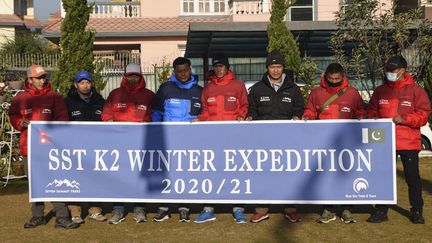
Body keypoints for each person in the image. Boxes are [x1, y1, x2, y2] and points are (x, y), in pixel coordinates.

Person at [9, 65, 79, 229]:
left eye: (43, 77)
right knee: (34, 183)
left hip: (51, 148)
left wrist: (53, 130)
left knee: (56, 180)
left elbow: (63, 118)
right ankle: (38, 215)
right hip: (29, 147)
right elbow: (13, 116)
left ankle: (62, 216)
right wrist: (21, 122)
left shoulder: (54, 96)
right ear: (30, 79)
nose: (42, 80)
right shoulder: (20, 98)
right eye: (39, 78)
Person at [367, 55, 431, 224]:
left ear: (402, 70)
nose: (389, 73)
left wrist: (405, 119)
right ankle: (381, 210)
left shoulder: (416, 91)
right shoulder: (380, 91)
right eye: (387, 70)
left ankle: (416, 211)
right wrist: (373, 117)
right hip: (384, 142)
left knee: (412, 179)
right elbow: (372, 110)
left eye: (392, 70)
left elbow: (424, 115)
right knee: (383, 177)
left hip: (408, 142)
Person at [302, 63, 365, 224]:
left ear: (342, 76)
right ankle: (328, 209)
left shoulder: (352, 93)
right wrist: (308, 116)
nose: (334, 81)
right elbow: (310, 110)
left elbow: (361, 111)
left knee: (346, 175)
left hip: (346, 143)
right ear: (326, 76)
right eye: (331, 79)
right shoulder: (317, 93)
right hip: (323, 143)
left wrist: (361, 117)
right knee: (326, 176)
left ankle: (346, 208)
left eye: (337, 79)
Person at [247, 49, 305, 223]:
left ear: (283, 68)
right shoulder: (257, 89)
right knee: (263, 173)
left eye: (278, 66)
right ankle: (262, 209)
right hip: (263, 140)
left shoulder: (293, 89)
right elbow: (251, 110)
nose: (275, 70)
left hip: (287, 139)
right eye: (272, 66)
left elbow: (300, 109)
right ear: (267, 68)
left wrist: (297, 116)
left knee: (288, 173)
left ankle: (290, 208)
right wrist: (250, 117)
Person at [193, 54, 249, 224]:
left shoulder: (238, 86)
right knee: (211, 171)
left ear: (227, 67)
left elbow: (245, 105)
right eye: (216, 66)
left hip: (233, 137)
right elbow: (205, 111)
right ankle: (209, 209)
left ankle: (238, 209)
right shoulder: (208, 88)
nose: (219, 69)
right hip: (212, 137)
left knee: (235, 171)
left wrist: (241, 115)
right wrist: (200, 119)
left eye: (221, 66)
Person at [102, 63, 155, 224]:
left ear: (140, 77)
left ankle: (140, 209)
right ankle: (118, 209)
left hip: (141, 144)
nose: (132, 78)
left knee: (140, 177)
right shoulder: (115, 94)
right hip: (119, 145)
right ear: (125, 76)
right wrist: (109, 120)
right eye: (130, 75)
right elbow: (106, 114)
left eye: (136, 76)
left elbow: (155, 115)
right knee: (119, 176)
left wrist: (148, 123)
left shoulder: (149, 95)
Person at [151, 57, 202, 223]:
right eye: (179, 71)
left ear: (190, 70)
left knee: (185, 173)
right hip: (168, 139)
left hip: (191, 140)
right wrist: (156, 131)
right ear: (174, 72)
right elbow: (156, 111)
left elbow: (205, 114)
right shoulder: (165, 89)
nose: (183, 74)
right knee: (166, 173)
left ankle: (184, 208)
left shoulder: (199, 91)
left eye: (186, 70)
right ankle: (164, 208)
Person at [64, 70, 106, 224]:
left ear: (91, 84)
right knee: (74, 179)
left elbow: (107, 119)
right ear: (76, 85)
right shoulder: (68, 102)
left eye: (88, 82)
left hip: (95, 148)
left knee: (95, 178)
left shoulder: (100, 101)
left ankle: (95, 210)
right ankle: (75, 212)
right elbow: (61, 123)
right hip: (74, 148)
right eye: (82, 83)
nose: (85, 85)